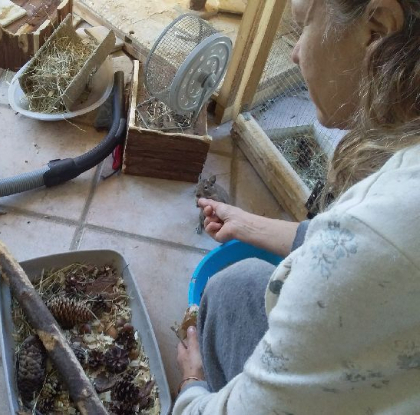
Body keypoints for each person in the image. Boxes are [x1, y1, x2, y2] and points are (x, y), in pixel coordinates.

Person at [174, 0, 420, 413]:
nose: (294, 52)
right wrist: (247, 224)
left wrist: (191, 385)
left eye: (303, 26)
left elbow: (361, 246)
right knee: (235, 284)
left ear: (376, 30)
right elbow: (338, 243)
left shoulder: (381, 230)